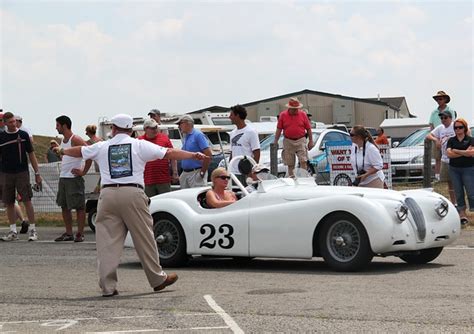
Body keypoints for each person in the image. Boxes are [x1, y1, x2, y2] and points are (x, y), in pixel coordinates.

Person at [56, 113, 209, 296]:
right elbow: (168, 153)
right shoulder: (139, 145)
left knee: (107, 243)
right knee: (145, 237)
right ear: (130, 130)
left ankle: (107, 286)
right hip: (132, 193)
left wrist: (62, 151)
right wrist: (193, 154)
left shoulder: (103, 146)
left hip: (107, 195)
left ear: (113, 129)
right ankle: (157, 278)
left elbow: (80, 151)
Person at [0, 112, 41, 241]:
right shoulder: (1, 137)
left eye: (15, 121)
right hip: (6, 173)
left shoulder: (23, 135)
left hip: (22, 172)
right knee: (9, 202)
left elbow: (31, 154)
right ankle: (13, 231)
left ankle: (33, 230)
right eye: (10, 122)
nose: (14, 124)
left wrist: (37, 173)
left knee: (27, 200)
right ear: (5, 123)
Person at [54, 115, 92, 243]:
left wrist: (83, 171)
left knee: (79, 207)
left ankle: (80, 233)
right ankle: (69, 233)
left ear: (64, 126)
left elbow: (89, 153)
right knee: (64, 206)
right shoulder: (63, 141)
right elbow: (67, 157)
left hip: (73, 178)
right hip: (64, 177)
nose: (56, 128)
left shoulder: (75, 139)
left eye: (58, 125)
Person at [273, 97, 314, 177]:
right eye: (294, 109)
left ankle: (303, 177)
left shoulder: (303, 115)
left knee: (303, 160)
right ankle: (292, 178)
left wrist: (311, 141)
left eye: (297, 109)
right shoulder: (283, 115)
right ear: (289, 108)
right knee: (290, 163)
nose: (295, 110)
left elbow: (308, 128)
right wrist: (275, 141)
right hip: (288, 140)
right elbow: (279, 129)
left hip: (301, 139)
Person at [138, 118, 178, 196]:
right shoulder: (139, 141)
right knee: (149, 204)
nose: (155, 130)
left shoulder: (165, 138)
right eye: (152, 128)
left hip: (163, 179)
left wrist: (175, 172)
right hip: (146, 180)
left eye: (156, 127)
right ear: (145, 129)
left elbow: (173, 156)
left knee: (165, 202)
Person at [446, 118, 474, 225]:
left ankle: (472, 209)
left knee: (471, 191)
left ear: (465, 128)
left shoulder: (471, 139)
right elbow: (449, 154)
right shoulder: (451, 140)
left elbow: (471, 153)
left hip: (468, 168)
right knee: (458, 191)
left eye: (460, 127)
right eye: (456, 127)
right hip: (454, 169)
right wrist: (464, 152)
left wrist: (456, 151)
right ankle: (462, 213)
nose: (458, 129)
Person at [426, 110, 456, 203]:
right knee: (450, 183)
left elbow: (466, 133)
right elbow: (428, 135)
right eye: (441, 118)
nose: (443, 120)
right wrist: (435, 139)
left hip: (456, 158)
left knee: (458, 182)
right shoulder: (440, 128)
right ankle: (454, 202)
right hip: (445, 159)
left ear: (451, 118)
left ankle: (461, 202)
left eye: (445, 117)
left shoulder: (455, 126)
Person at [177, 115, 212, 188]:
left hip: (196, 173)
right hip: (186, 173)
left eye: (180, 124)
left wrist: (202, 172)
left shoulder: (198, 135)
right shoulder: (186, 136)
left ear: (187, 123)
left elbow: (208, 154)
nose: (178, 126)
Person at [228, 104, 260, 185]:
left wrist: (252, 171)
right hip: (234, 172)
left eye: (231, 114)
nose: (229, 117)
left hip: (246, 171)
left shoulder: (251, 132)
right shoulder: (232, 133)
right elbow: (232, 152)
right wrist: (229, 168)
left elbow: (257, 152)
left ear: (237, 115)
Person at [429, 91, 457, 180]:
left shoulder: (450, 110)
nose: (438, 100)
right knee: (438, 157)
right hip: (437, 136)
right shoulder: (434, 112)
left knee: (450, 155)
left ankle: (452, 175)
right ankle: (438, 176)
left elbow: (454, 123)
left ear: (445, 99)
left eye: (440, 99)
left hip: (449, 136)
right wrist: (435, 138)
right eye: (437, 99)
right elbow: (431, 124)